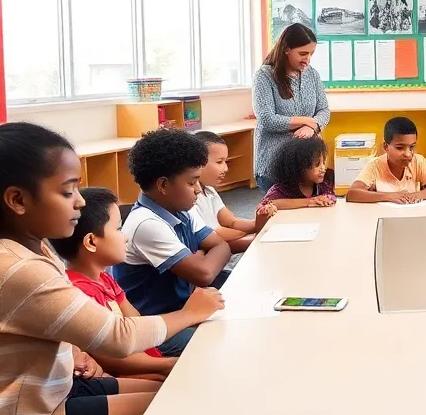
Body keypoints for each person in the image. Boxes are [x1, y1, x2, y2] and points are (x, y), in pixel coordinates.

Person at [0, 121, 223, 415]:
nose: (80, 201)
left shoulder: (11, 247)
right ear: (17, 200)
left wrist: (75, 350)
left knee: (175, 382)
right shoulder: (18, 268)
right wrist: (189, 314)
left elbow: (44, 319)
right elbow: (118, 338)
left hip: (45, 398)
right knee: (197, 409)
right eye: (67, 192)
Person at [114, 128, 233, 357]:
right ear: (163, 186)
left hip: (183, 309)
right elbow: (204, 274)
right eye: (192, 183)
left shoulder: (181, 209)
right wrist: (202, 261)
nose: (199, 190)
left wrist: (204, 260)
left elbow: (222, 245)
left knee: (235, 291)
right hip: (158, 326)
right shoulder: (146, 223)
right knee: (215, 344)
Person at [50, 187, 180, 382]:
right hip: (131, 376)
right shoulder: (80, 293)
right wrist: (168, 365)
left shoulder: (104, 278)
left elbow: (135, 321)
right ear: (91, 242)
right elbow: (112, 359)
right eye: (118, 229)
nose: (125, 237)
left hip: (148, 360)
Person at [253, 23, 330, 189]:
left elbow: (324, 110)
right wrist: (307, 120)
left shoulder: (312, 74)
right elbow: (267, 119)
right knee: (281, 211)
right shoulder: (264, 75)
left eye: (311, 54)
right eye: (302, 54)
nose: (307, 59)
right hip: (274, 164)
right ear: (286, 49)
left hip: (307, 165)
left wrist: (313, 127)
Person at [192, 130, 273, 259]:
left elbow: (231, 222)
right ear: (197, 163)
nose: (226, 169)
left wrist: (263, 221)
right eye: (219, 162)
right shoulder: (190, 198)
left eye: (225, 162)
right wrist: (258, 232)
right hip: (209, 254)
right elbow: (216, 236)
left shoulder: (209, 190)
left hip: (219, 248)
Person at [347, 116, 426, 203]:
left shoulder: (418, 161)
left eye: (411, 147)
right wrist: (389, 196)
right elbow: (352, 193)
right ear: (386, 147)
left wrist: (416, 195)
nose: (407, 154)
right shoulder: (375, 165)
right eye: (399, 148)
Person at [260, 134, 336, 210]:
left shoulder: (326, 182)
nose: (323, 168)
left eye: (324, 162)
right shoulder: (284, 188)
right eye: (317, 164)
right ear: (299, 166)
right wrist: (309, 202)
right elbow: (267, 204)